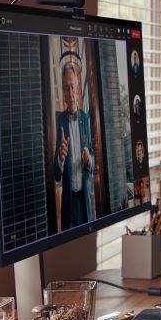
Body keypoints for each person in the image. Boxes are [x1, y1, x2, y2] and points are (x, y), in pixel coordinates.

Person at [53, 61, 95, 229]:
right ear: (63, 92)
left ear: (77, 90)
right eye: (66, 88)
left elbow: (92, 159)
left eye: (72, 87)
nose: (70, 92)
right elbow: (56, 175)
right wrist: (60, 158)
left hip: (84, 200)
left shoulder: (85, 119)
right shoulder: (59, 122)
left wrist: (88, 159)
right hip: (69, 205)